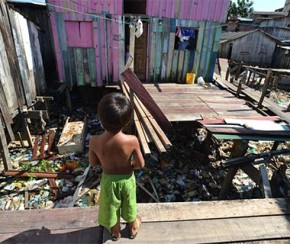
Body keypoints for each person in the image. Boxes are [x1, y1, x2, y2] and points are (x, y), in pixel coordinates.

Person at [89, 92, 145, 241]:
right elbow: (141, 163)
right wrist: (131, 165)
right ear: (126, 121)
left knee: (110, 206)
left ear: (101, 119)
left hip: (108, 181)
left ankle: (115, 231)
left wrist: (106, 161)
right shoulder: (132, 140)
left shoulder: (94, 141)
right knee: (130, 203)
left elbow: (93, 163)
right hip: (127, 180)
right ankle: (133, 227)